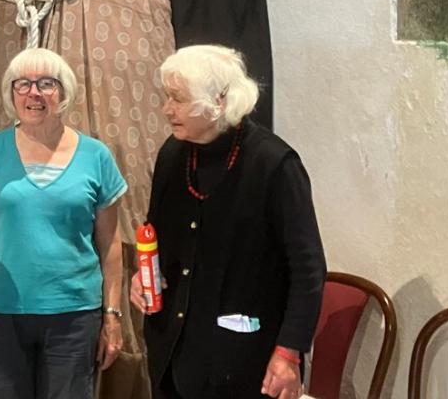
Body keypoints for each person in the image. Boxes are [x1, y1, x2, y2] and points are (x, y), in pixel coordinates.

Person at [130, 45, 327, 399]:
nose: (166, 109)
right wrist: (142, 278)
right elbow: (154, 235)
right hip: (173, 353)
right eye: (167, 97)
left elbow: (308, 270)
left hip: (242, 361)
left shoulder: (274, 165)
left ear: (219, 101)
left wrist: (288, 352)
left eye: (178, 99)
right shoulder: (172, 154)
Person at [0, 47, 125, 399]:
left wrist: (112, 315)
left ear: (64, 91)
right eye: (23, 84)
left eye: (46, 83)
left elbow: (110, 245)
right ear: (11, 93)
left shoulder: (97, 157)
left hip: (74, 316)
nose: (34, 93)